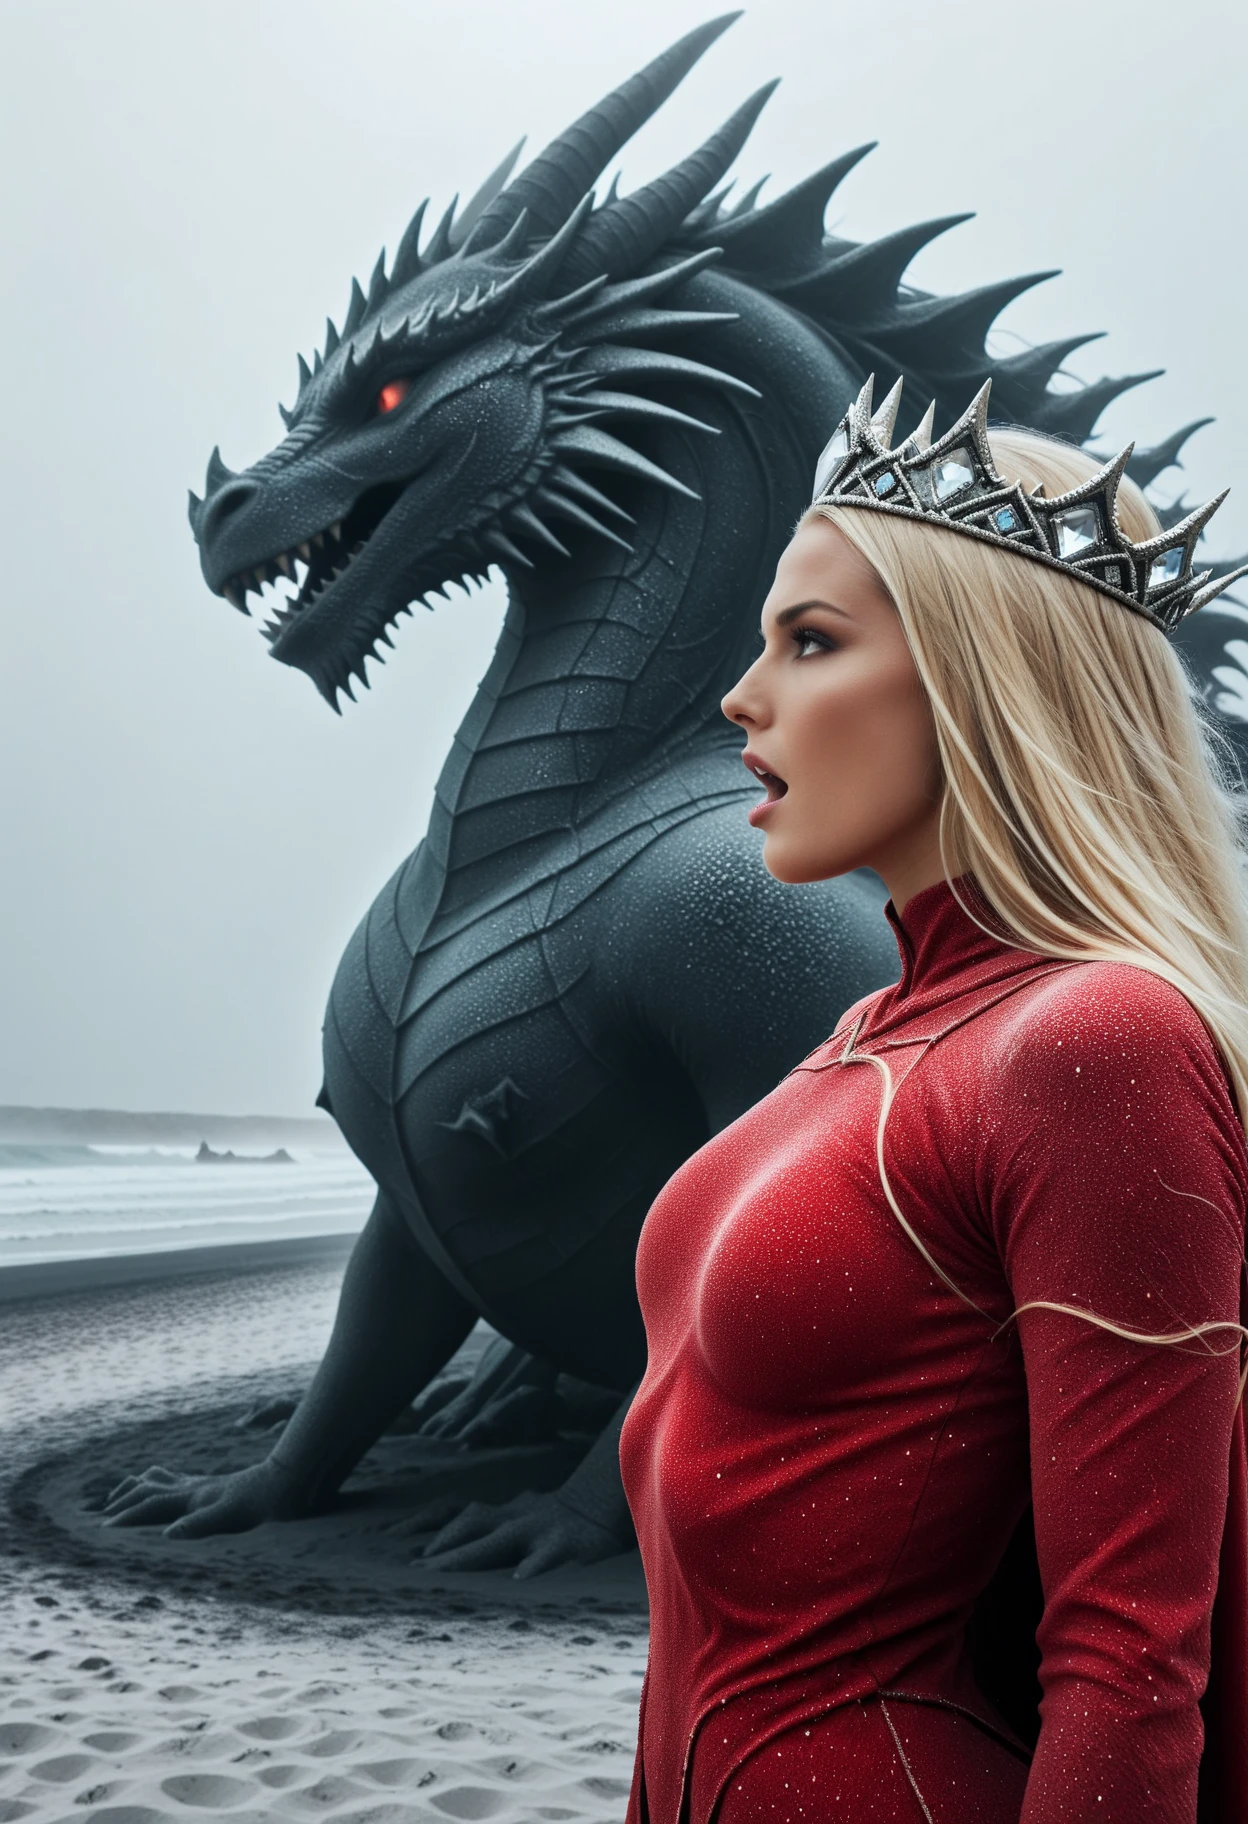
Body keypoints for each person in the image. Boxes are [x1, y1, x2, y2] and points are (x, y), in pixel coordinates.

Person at [618, 377, 1248, 1824]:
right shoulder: (861, 1040)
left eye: (813, 642)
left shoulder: (1098, 1038)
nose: (743, 697)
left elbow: (1131, 1667)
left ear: (984, 681)